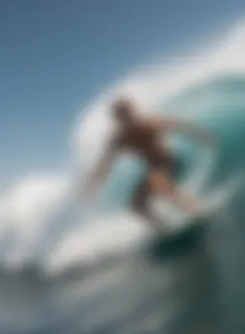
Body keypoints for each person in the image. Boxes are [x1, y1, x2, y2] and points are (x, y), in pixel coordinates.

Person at [86, 96, 216, 233]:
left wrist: (203, 135)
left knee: (157, 182)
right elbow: (106, 162)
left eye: (128, 114)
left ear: (132, 112)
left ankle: (197, 212)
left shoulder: (149, 123)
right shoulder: (120, 138)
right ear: (117, 120)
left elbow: (179, 126)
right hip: (153, 168)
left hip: (169, 161)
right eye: (121, 117)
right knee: (136, 204)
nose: (127, 120)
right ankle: (164, 227)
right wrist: (94, 184)